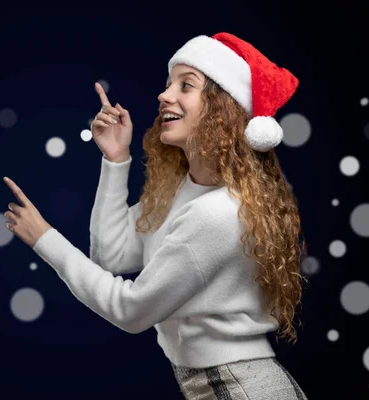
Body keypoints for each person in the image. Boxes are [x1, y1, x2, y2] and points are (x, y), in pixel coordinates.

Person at [30, 32, 308, 399]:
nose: (164, 95)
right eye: (167, 84)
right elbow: (110, 256)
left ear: (221, 110)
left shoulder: (219, 213)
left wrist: (43, 238)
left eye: (186, 85)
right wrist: (115, 161)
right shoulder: (182, 192)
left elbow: (130, 310)